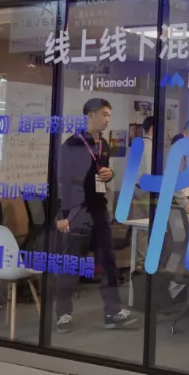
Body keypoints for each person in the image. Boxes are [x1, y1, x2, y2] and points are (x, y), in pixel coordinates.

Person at [54, 98, 138, 333]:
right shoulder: (71, 145)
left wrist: (109, 175)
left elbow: (103, 174)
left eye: (109, 115)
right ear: (90, 115)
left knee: (107, 263)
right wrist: (61, 216)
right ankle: (63, 314)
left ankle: (112, 312)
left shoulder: (104, 144)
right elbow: (61, 183)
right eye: (104, 114)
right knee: (71, 266)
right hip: (76, 213)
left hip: (99, 211)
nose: (108, 119)